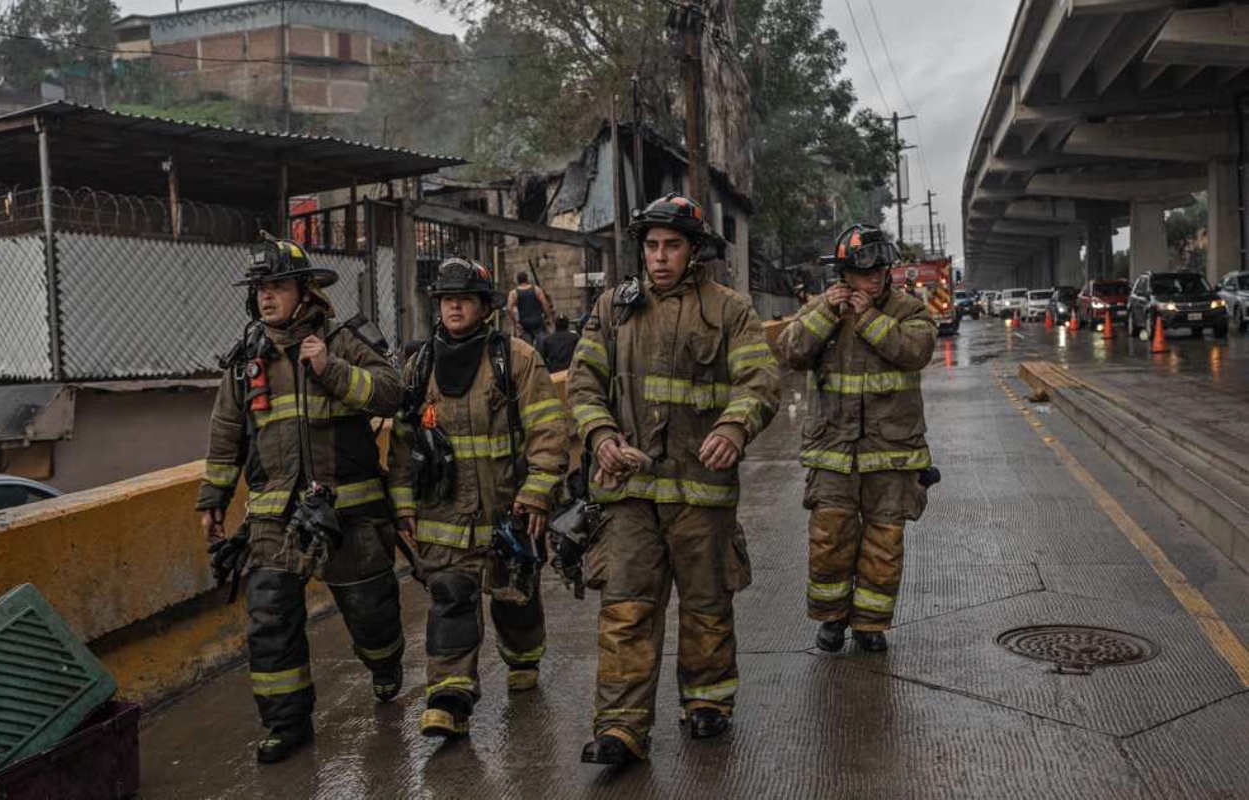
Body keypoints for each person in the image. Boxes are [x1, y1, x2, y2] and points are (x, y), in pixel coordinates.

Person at [567, 194, 781, 765]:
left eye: (673, 246)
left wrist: (736, 427)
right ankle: (620, 727)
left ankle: (707, 701)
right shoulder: (614, 308)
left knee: (707, 604)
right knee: (625, 609)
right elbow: (583, 383)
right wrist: (601, 437)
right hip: (630, 495)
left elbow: (760, 380)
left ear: (694, 252)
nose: (660, 258)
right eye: (652, 247)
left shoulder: (730, 310)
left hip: (701, 494)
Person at [197, 235, 405, 764]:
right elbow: (226, 432)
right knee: (270, 620)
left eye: (278, 286)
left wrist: (330, 369)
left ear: (304, 290)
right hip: (273, 517)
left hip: (349, 510)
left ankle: (385, 666)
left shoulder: (343, 338)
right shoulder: (246, 360)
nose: (267, 297)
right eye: (260, 289)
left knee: (371, 614)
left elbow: (392, 392)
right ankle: (286, 725)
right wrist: (213, 498)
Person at [387, 257, 569, 739]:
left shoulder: (518, 359)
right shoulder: (419, 364)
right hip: (444, 514)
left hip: (508, 510)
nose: (453, 307)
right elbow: (403, 442)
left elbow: (550, 428)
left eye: (463, 299)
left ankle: (524, 658)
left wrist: (537, 491)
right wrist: (402, 501)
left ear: (484, 307)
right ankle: (449, 697)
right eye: (446, 299)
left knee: (515, 601)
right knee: (450, 597)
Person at [775, 224, 937, 654]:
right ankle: (830, 621)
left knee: (883, 544)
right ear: (845, 273)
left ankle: (871, 625)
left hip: (891, 453)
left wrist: (867, 318)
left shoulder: (909, 311)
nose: (878, 278)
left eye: (883, 270)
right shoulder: (820, 309)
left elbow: (914, 351)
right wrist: (827, 313)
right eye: (867, 272)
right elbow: (790, 352)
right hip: (832, 451)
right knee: (830, 541)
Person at [507, 271, 553, 348]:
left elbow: (509, 308)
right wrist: (549, 317)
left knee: (527, 349)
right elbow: (545, 304)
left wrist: (516, 322)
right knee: (541, 348)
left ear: (518, 280)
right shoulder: (536, 289)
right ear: (527, 279)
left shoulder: (514, 293)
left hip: (524, 325)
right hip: (537, 323)